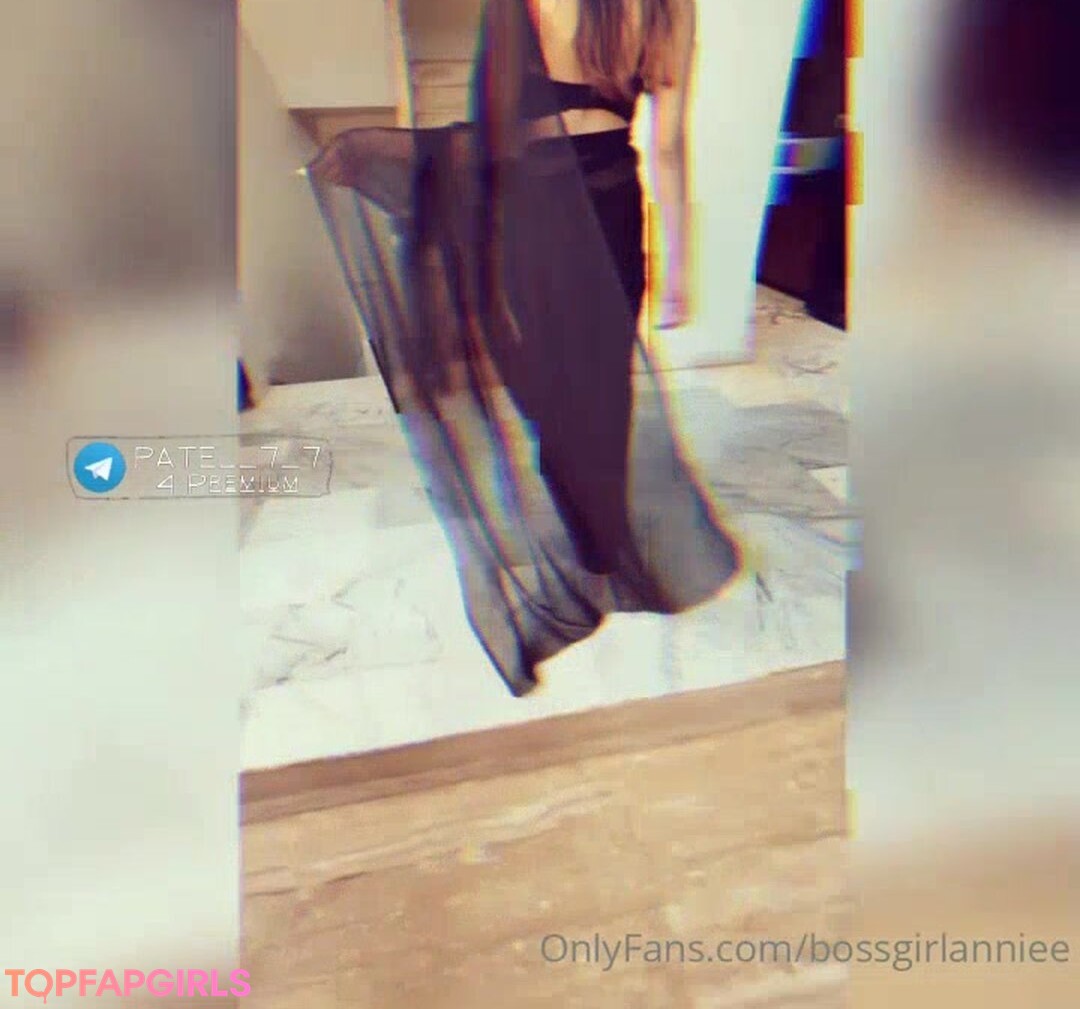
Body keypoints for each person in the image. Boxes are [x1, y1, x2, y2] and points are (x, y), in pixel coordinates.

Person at [306, 0, 741, 696]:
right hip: (614, 209)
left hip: (535, 219)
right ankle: (600, 545)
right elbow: (666, 146)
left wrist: (394, 156)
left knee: (544, 386)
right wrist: (681, 271)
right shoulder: (671, 8)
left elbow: (496, 139)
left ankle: (585, 529)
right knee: (606, 387)